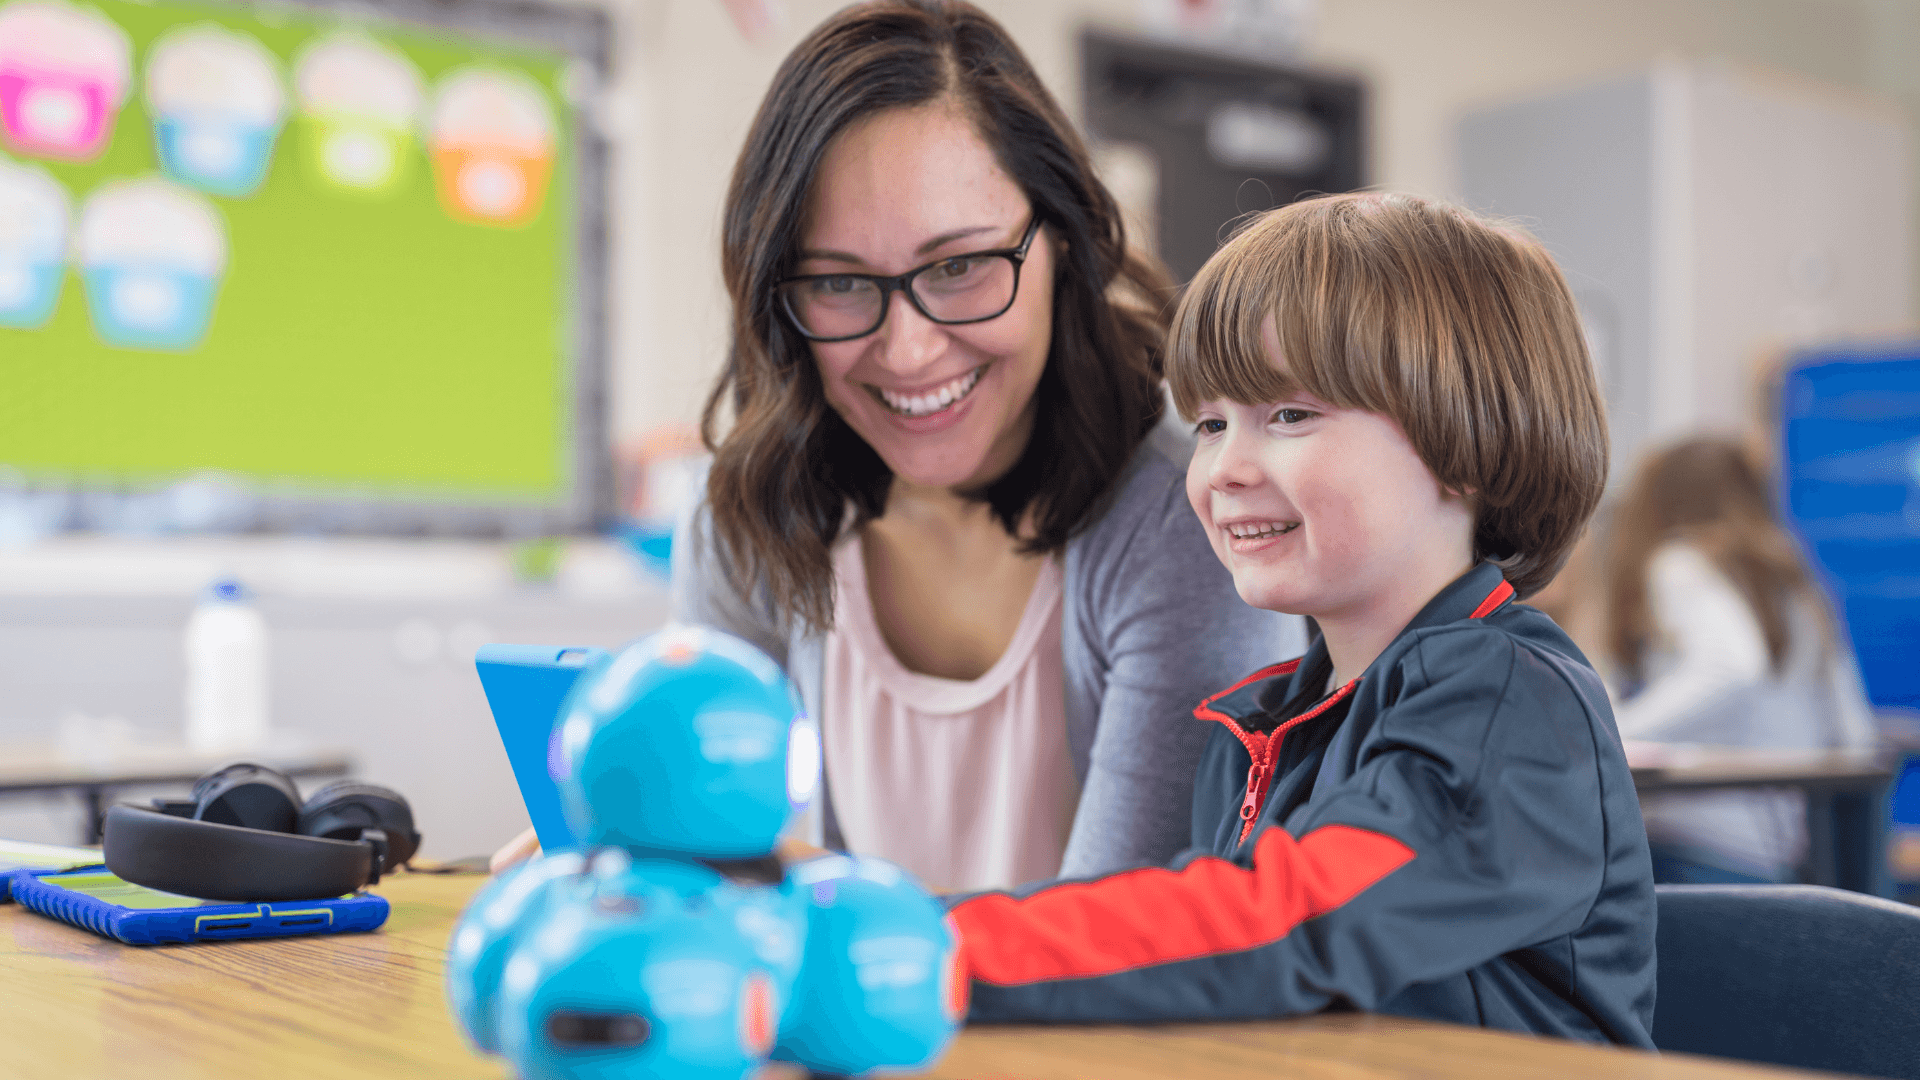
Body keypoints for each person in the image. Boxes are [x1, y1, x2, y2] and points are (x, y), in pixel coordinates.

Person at [945, 192, 1657, 1047]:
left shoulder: (1510, 704)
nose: (1222, 469)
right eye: (1209, 423)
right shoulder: (1257, 728)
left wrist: (933, 949)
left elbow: (1290, 923)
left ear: (1463, 439)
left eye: (1289, 414)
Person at [664, 0, 1304, 893]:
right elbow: (699, 839)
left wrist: (757, 878)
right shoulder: (746, 516)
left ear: (1062, 243)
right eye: (841, 282)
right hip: (853, 1027)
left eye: (959, 267)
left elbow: (1115, 953)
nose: (909, 349)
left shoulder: (1189, 512)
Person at [1600, 437, 1878, 884]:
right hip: (1779, 861)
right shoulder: (1795, 582)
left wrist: (1613, 728)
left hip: (1690, 845)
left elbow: (1730, 667)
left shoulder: (1678, 563)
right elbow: (1856, 734)